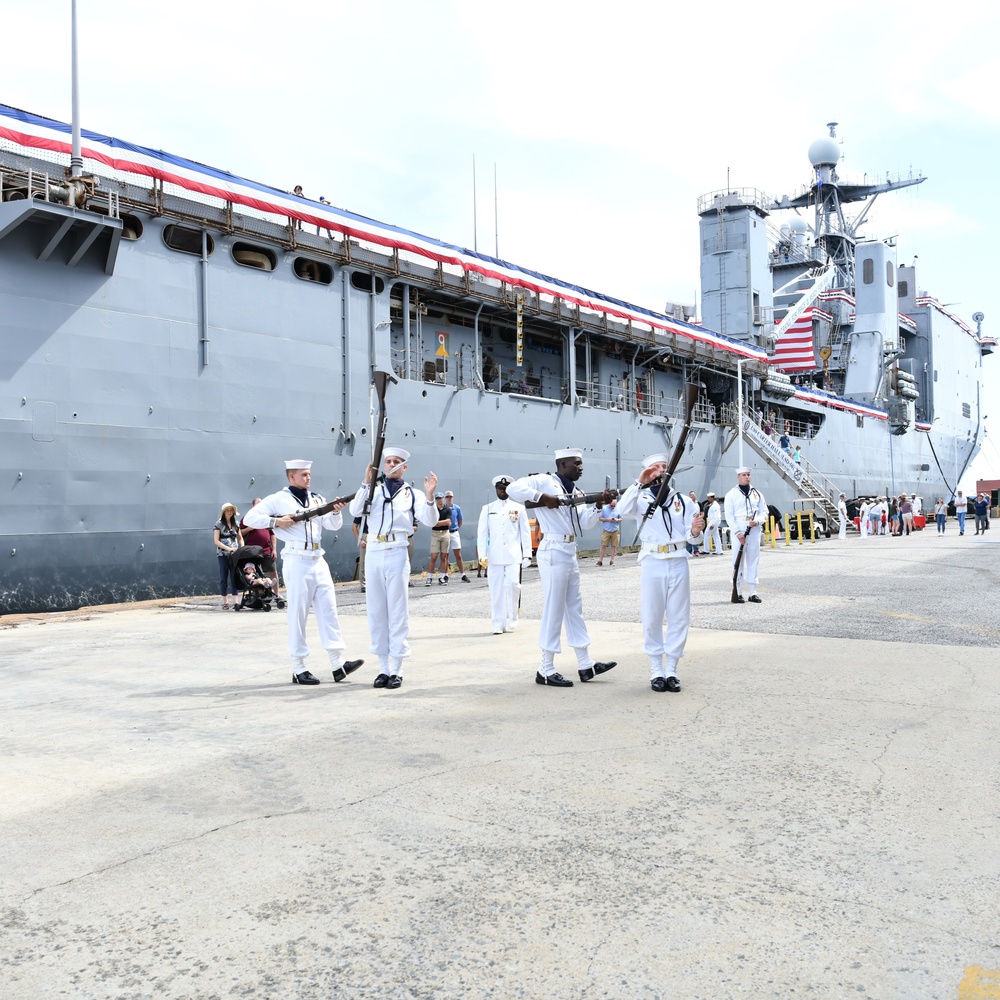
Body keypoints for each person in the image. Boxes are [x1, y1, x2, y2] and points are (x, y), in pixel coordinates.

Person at [243, 460, 363, 686]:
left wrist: (336, 512)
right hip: (297, 560)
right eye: (304, 475)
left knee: (329, 610)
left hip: (318, 559)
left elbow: (332, 525)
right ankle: (298, 667)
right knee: (298, 614)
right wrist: (276, 521)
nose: (309, 478)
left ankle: (337, 664)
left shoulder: (316, 499)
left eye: (309, 474)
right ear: (292, 477)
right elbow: (249, 519)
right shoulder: (278, 499)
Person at [507, 449, 617, 687]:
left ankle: (585, 664)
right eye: (576, 463)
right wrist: (542, 497)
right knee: (554, 607)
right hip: (553, 549)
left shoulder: (576, 492)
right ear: (562, 464)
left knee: (574, 608)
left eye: (581, 463)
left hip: (569, 550)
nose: (581, 467)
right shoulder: (545, 480)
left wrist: (598, 505)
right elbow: (512, 489)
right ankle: (545, 668)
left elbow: (585, 524)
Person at [349, 447, 439, 689]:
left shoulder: (414, 494)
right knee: (377, 611)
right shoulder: (373, 490)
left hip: (398, 550)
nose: (390, 464)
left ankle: (397, 667)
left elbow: (429, 520)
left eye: (396, 461)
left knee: (398, 611)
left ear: (404, 467)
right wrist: (365, 483)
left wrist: (430, 497)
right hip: (375, 551)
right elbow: (355, 511)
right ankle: (382, 668)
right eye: (387, 461)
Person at [618, 454, 705, 692]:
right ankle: (656, 669)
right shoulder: (640, 498)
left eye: (665, 467)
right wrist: (639, 482)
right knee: (652, 616)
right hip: (652, 561)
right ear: (647, 471)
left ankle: (672, 670)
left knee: (679, 617)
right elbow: (621, 511)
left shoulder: (684, 500)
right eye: (655, 468)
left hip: (678, 560)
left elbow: (694, 538)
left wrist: (697, 531)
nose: (661, 471)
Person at [477, 475, 532, 634]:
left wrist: (527, 554)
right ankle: (498, 623)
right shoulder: (487, 509)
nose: (502, 491)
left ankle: (513, 617)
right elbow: (482, 534)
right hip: (494, 557)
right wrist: (482, 554)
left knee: (513, 585)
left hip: (513, 556)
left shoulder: (518, 508)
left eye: (505, 489)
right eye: (500, 489)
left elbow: (525, 532)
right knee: (496, 590)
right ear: (496, 490)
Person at [724, 467, 766, 603]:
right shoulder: (731, 494)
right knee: (738, 561)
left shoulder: (757, 493)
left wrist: (758, 521)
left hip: (754, 529)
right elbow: (729, 516)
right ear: (738, 477)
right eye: (744, 475)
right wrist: (737, 533)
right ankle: (738, 591)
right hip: (739, 529)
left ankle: (753, 592)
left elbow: (764, 511)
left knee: (753, 560)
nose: (747, 477)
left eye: (748, 475)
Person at [240, 497, 280, 598]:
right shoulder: (247, 518)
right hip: (252, 552)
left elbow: (272, 534)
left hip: (267, 550)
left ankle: (276, 594)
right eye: (258, 504)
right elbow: (239, 533)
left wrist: (274, 549)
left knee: (273, 571)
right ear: (253, 506)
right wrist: (249, 528)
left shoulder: (267, 518)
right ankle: (257, 594)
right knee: (254, 572)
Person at [213, 502, 243, 609]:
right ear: (224, 512)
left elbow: (239, 537)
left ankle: (235, 602)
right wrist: (228, 549)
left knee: (234, 577)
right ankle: (225, 602)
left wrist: (241, 547)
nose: (230, 512)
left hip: (234, 554)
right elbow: (216, 541)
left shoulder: (236, 524)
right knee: (223, 577)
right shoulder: (219, 524)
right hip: (223, 554)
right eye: (228, 510)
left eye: (231, 510)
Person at [444, 490, 471, 582]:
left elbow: (460, 521)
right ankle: (445, 575)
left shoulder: (457, 508)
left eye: (450, 497)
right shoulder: (442, 508)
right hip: (445, 532)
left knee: (458, 555)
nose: (449, 498)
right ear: (445, 498)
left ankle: (463, 574)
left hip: (454, 532)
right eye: (447, 497)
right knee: (445, 555)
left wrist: (456, 528)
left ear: (453, 498)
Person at [426, 493, 452, 585]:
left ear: (443, 499)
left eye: (440, 498)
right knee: (433, 556)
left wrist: (438, 523)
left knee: (444, 557)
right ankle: (429, 577)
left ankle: (441, 577)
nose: (439, 500)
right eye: (437, 498)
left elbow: (448, 522)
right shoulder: (434, 510)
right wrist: (442, 522)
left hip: (445, 534)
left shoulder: (448, 509)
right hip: (435, 534)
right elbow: (433, 524)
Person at [597, 498, 621, 566]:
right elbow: (600, 518)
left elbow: (621, 518)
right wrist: (608, 519)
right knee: (603, 545)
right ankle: (600, 561)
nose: (613, 507)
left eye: (614, 506)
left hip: (615, 530)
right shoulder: (604, 508)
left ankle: (612, 560)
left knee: (614, 546)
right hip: (606, 530)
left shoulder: (618, 508)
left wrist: (617, 520)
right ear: (609, 503)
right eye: (612, 505)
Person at [351, 516, 367, 592]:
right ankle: (363, 585)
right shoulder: (363, 509)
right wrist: (360, 540)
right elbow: (354, 526)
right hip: (366, 536)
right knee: (363, 562)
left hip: (378, 536)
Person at [686, 491, 703, 557]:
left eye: (693, 495)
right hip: (690, 522)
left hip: (697, 521)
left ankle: (696, 551)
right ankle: (689, 551)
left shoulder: (698, 503)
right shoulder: (688, 504)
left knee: (696, 535)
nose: (692, 496)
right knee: (689, 535)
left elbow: (702, 512)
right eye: (691, 495)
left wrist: (700, 519)